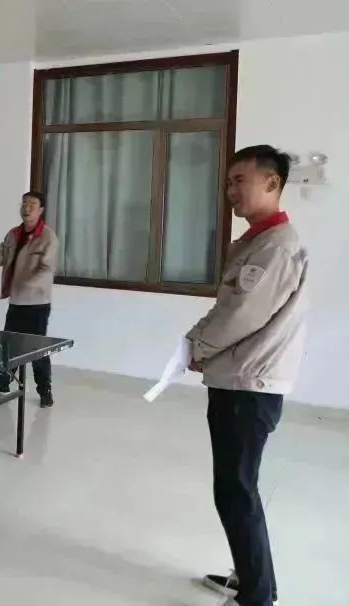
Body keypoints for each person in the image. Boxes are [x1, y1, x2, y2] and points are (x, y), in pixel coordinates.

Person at [188, 145, 307, 606]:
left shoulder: (275, 246)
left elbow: (241, 315)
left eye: (241, 180)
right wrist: (198, 340)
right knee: (238, 488)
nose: (231, 190)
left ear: (272, 183)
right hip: (240, 380)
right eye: (228, 182)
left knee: (236, 490)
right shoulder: (257, 241)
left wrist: (197, 347)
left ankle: (257, 596)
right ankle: (255, 581)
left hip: (247, 387)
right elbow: (228, 307)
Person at [0, 191, 59, 407]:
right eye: (24, 203)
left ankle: (45, 391)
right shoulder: (13, 234)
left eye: (32, 204)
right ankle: (4, 382)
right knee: (9, 346)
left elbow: (46, 268)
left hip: (37, 304)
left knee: (37, 349)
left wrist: (29, 281)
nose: (26, 208)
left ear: (41, 210)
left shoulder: (48, 237)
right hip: (17, 302)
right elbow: (1, 258)